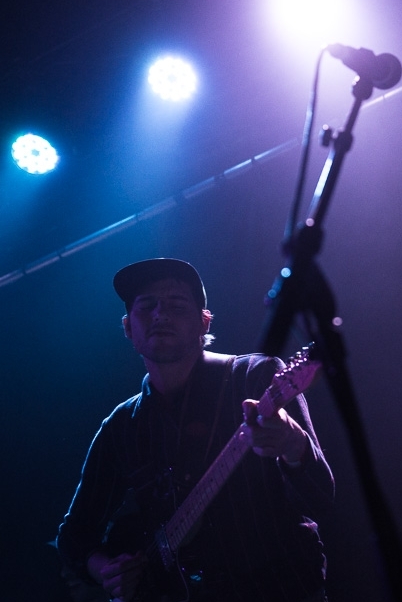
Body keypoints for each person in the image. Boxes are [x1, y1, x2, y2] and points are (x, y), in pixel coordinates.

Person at [56, 258, 333, 602]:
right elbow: (74, 537)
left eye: (176, 304)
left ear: (204, 322)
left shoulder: (257, 378)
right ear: (128, 328)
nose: (160, 314)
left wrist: (293, 443)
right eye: (147, 306)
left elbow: (321, 496)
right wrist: (109, 572)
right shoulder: (121, 427)